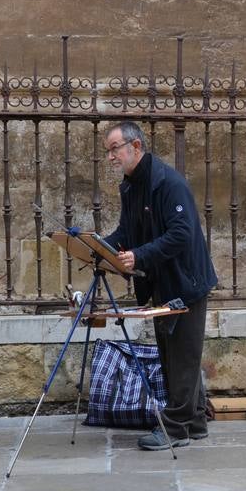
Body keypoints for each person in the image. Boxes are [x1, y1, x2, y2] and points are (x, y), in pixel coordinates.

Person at [100, 121, 218, 450]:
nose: (110, 157)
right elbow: (127, 232)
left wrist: (138, 256)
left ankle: (176, 428)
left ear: (135, 146)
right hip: (163, 283)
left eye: (114, 149)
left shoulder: (168, 183)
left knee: (182, 356)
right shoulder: (132, 185)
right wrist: (97, 247)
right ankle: (194, 422)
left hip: (186, 282)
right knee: (173, 356)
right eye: (107, 151)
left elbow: (181, 234)